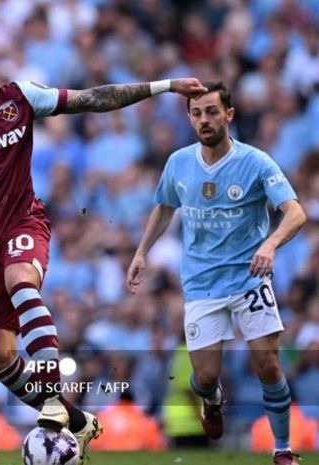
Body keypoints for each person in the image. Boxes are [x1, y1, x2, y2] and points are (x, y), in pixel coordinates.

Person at [0, 21, 206, 458]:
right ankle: (77, 421)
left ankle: (50, 403)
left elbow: (95, 99)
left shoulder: (20, 98)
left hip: (23, 222)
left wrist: (166, 85)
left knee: (20, 279)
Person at [126, 81, 306, 465]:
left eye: (211, 111)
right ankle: (212, 400)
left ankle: (283, 449)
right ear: (189, 119)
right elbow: (163, 207)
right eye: (196, 113)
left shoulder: (256, 162)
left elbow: (296, 212)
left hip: (248, 280)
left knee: (268, 364)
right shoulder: (178, 162)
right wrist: (142, 252)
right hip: (202, 285)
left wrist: (269, 244)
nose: (204, 120)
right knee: (205, 377)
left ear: (229, 115)